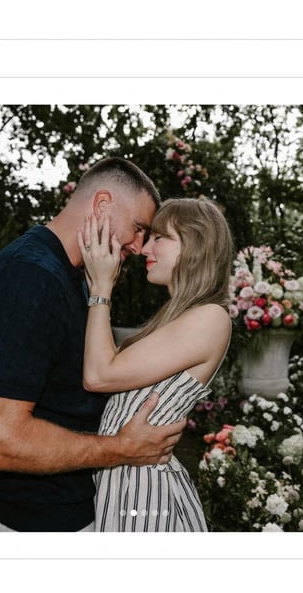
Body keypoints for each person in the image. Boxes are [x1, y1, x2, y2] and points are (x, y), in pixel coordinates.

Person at [0, 157, 187, 532]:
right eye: (137, 229)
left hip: (60, 510)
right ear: (101, 204)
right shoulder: (30, 276)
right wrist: (122, 448)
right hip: (27, 523)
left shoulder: (74, 275)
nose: (138, 246)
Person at [77, 197, 233, 531]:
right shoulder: (179, 317)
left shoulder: (211, 317)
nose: (145, 248)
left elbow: (99, 375)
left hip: (144, 492)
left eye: (159, 237)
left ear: (195, 243)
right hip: (124, 481)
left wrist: (101, 288)